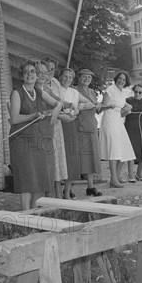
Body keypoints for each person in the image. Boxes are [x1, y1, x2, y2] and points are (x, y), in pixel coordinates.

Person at [9, 59, 62, 210]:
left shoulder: (39, 91)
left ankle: (34, 213)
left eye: (33, 72)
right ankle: (25, 213)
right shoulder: (17, 93)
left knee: (39, 176)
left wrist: (56, 110)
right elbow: (14, 119)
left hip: (37, 139)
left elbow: (57, 103)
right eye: (26, 72)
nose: (30, 75)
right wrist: (34, 116)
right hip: (21, 140)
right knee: (27, 179)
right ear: (21, 76)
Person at [36, 59, 68, 199]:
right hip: (43, 128)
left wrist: (63, 109)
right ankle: (49, 195)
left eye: (51, 70)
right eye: (42, 71)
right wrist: (59, 114)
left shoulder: (48, 87)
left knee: (56, 158)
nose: (48, 73)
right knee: (48, 160)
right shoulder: (35, 89)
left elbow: (58, 101)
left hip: (53, 125)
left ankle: (57, 193)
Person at [99, 71, 135, 187]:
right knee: (114, 150)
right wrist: (109, 106)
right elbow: (100, 108)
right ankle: (114, 179)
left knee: (125, 149)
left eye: (124, 80)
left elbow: (121, 109)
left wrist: (127, 108)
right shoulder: (110, 89)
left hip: (118, 120)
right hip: (109, 120)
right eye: (120, 78)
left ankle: (116, 176)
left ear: (126, 82)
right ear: (116, 78)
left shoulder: (123, 92)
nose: (121, 81)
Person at [75, 68, 103, 196]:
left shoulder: (92, 92)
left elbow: (96, 110)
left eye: (89, 77)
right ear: (79, 78)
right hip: (80, 127)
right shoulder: (75, 91)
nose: (87, 79)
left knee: (92, 156)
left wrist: (102, 105)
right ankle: (69, 189)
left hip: (92, 126)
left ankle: (90, 186)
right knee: (81, 157)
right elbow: (73, 108)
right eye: (84, 77)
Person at [57, 68, 81, 199]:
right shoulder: (56, 89)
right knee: (59, 157)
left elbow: (77, 108)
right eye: (65, 76)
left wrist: (75, 112)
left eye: (70, 77)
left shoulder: (74, 92)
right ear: (60, 77)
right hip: (59, 123)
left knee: (71, 157)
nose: (67, 79)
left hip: (70, 124)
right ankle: (56, 192)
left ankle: (67, 192)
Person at [124, 83, 142, 181]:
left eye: (139, 92)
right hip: (129, 128)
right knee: (131, 151)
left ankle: (139, 174)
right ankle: (130, 175)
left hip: (141, 129)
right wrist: (125, 111)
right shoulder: (127, 100)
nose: (137, 94)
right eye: (135, 91)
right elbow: (120, 111)